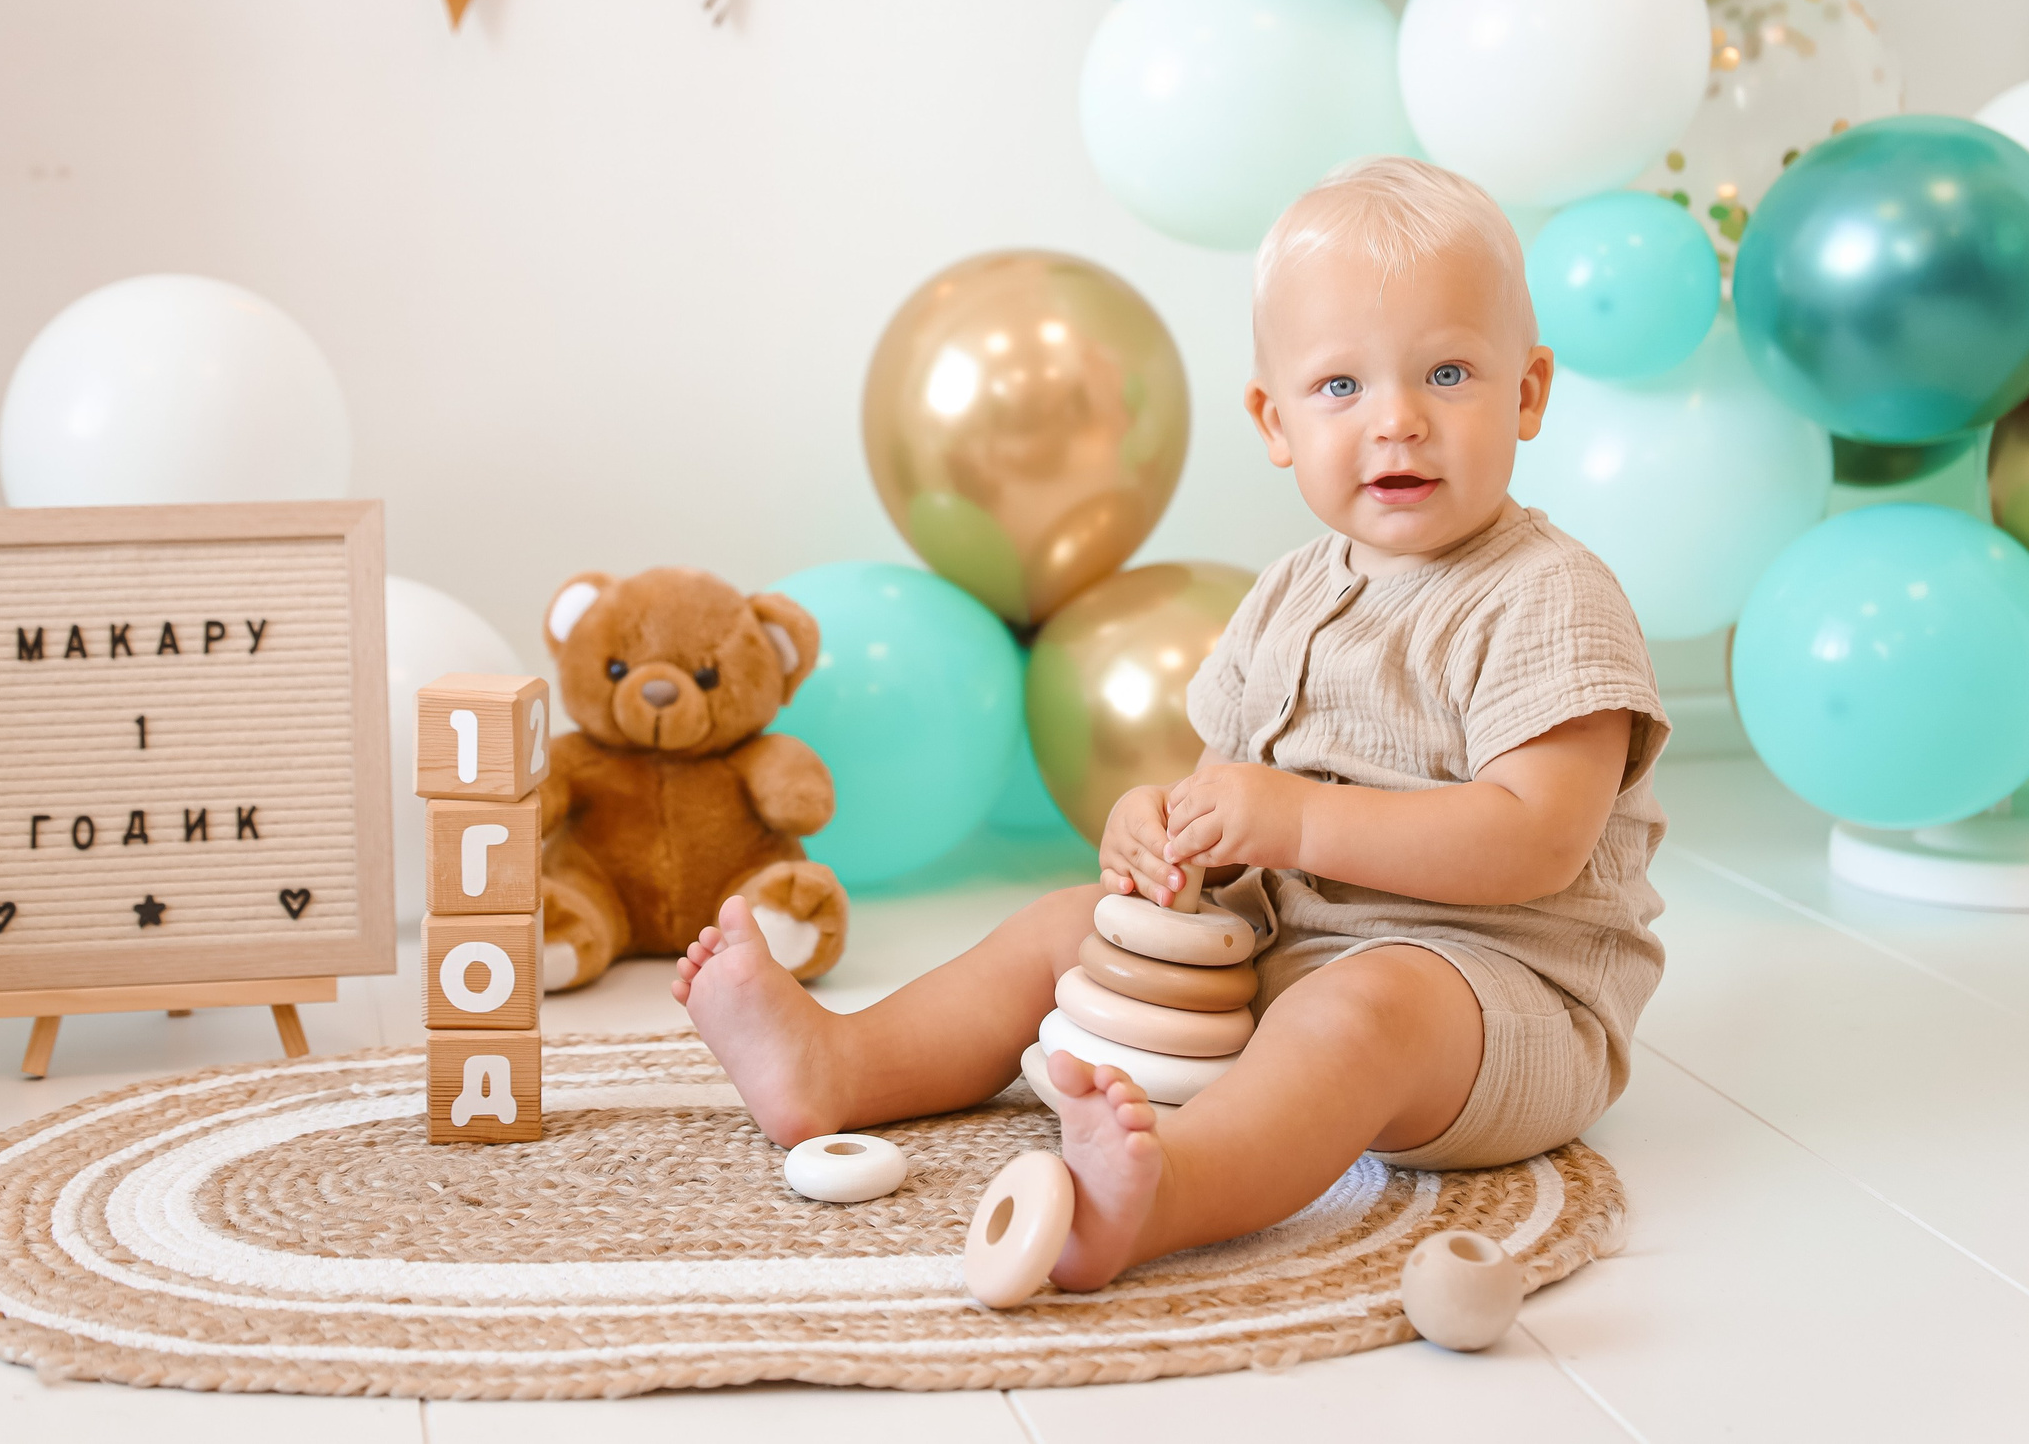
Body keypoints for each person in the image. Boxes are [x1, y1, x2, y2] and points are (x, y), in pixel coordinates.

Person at [676, 155, 1670, 1291]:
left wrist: (1297, 823)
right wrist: (1162, 834)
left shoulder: (1547, 595)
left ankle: (1166, 1191)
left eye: (1447, 374)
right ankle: (844, 1065)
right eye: (1340, 386)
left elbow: (1535, 840)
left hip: (1491, 999)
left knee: (1364, 1009)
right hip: (1281, 956)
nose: (1397, 422)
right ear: (1274, 420)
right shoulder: (1290, 591)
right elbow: (1224, 802)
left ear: (1528, 393)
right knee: (1070, 925)